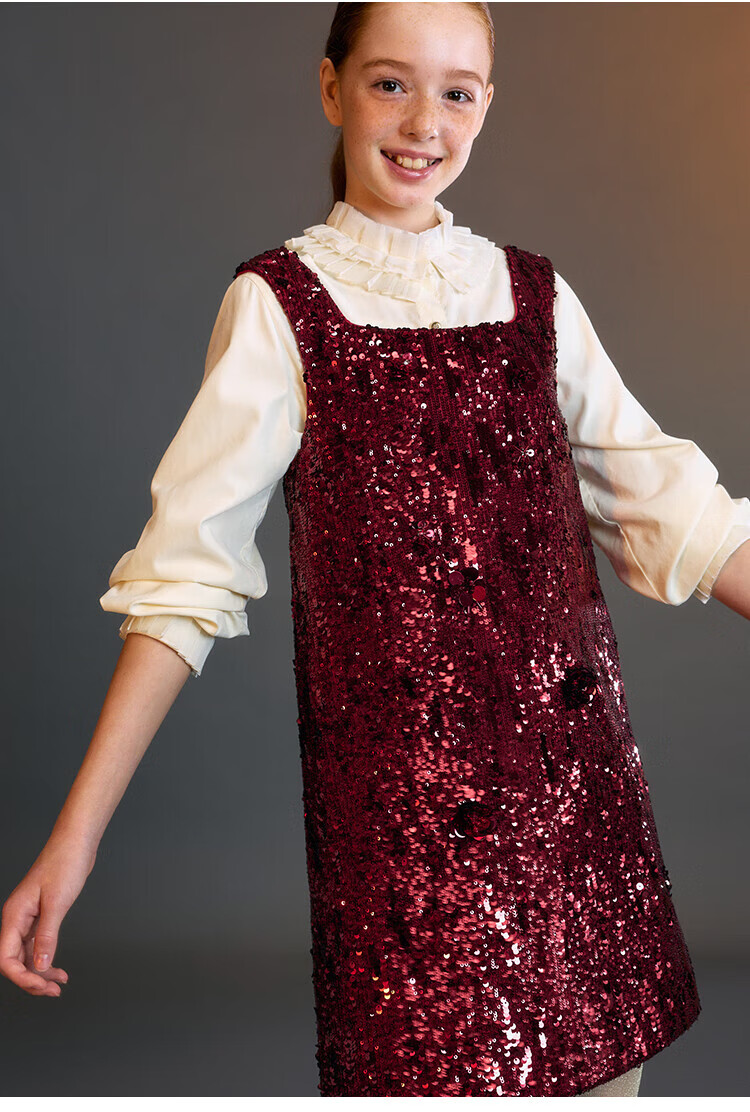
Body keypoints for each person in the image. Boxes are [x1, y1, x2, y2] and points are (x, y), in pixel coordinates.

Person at [1, 1, 748, 1099]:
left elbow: (675, 508)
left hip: (576, 814)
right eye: (390, 82)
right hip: (405, 841)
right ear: (332, 88)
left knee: (602, 1082)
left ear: (486, 106)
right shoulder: (279, 308)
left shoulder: (535, 295)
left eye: (457, 91)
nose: (423, 122)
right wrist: (75, 839)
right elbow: (183, 580)